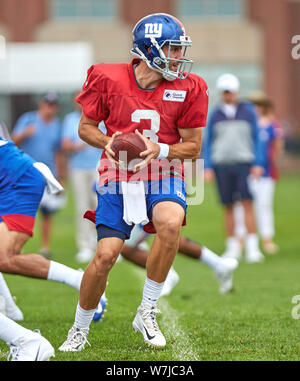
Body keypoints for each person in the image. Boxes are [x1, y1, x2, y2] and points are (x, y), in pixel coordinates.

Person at [59, 13, 209, 352]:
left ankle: (148, 309)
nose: (178, 56)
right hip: (117, 173)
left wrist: (162, 149)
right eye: (172, 48)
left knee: (170, 224)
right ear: (150, 49)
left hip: (162, 169)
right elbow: (86, 127)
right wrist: (107, 142)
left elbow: (193, 147)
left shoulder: (190, 87)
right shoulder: (107, 77)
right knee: (106, 256)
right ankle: (79, 328)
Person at [0, 133, 106, 325]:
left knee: (5, 257)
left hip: (17, 181)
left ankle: (79, 279)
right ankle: (9, 310)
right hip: (11, 177)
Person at [204, 73, 265, 263]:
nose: (228, 95)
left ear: (237, 91)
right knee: (228, 205)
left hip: (244, 163)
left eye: (231, 91)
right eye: (225, 92)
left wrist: (258, 163)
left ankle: (252, 247)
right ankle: (233, 247)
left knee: (247, 203)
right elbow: (209, 142)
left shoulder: (248, 112)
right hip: (222, 164)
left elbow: (257, 139)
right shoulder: (215, 114)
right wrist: (207, 166)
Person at [12, 92, 66, 258]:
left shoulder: (56, 125)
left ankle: (44, 248)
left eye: (53, 105)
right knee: (23, 212)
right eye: (47, 104)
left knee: (47, 213)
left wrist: (60, 176)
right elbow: (13, 142)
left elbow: (58, 152)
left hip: (47, 173)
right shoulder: (28, 119)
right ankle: (16, 246)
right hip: (27, 172)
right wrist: (24, 134)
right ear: (41, 104)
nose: (49, 108)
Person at [233, 95, 284, 254]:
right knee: (241, 206)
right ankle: (240, 239)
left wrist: (267, 163)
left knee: (264, 205)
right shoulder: (245, 123)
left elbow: (277, 148)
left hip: (266, 172)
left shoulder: (272, 125)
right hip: (245, 170)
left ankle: (267, 239)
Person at [62, 93, 105, 263]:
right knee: (82, 206)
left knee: (100, 204)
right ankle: (85, 246)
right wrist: (76, 146)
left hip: (98, 166)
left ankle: (102, 242)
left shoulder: (100, 118)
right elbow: (65, 144)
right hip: (78, 168)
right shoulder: (70, 120)